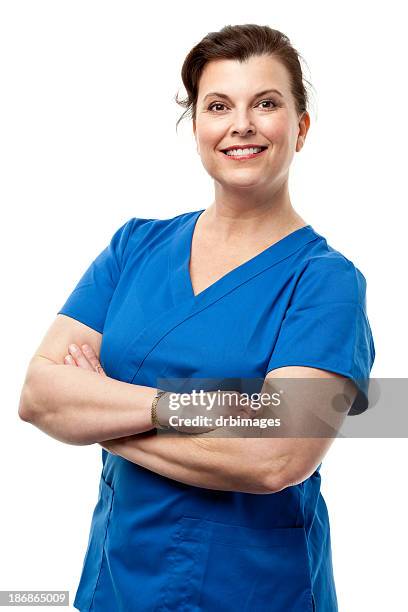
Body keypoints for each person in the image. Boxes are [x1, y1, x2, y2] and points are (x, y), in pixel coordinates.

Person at [18, 24, 375, 612]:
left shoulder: (325, 281)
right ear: (196, 128)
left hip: (254, 591)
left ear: (301, 127)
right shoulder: (134, 247)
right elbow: (38, 396)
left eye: (266, 103)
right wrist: (219, 412)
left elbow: (275, 457)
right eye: (218, 106)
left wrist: (102, 407)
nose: (241, 125)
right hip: (116, 583)